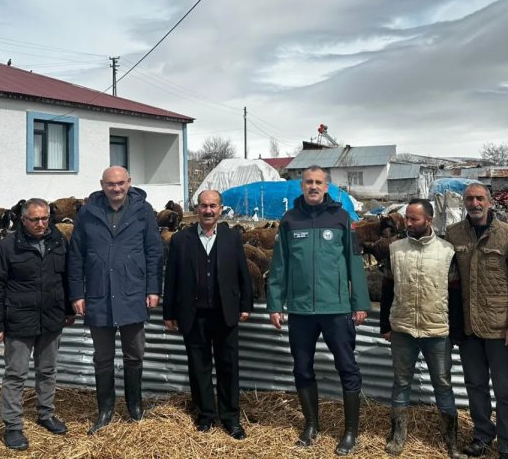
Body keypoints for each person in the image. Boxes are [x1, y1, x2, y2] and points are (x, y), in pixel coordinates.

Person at [267, 165, 371, 456]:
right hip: (300, 311)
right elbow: (279, 266)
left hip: (336, 309)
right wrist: (275, 304)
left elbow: (354, 262)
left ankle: (350, 432)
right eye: (308, 182)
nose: (313, 186)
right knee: (302, 368)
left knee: (347, 368)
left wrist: (360, 303)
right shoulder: (289, 220)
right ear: (301, 186)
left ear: (327, 187)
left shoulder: (342, 218)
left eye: (318, 182)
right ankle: (311, 425)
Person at [67, 166, 163, 434]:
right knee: (102, 357)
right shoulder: (88, 212)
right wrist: (77, 293)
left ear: (129, 182)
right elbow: (76, 255)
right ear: (102, 185)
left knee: (135, 354)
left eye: (121, 183)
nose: (116, 188)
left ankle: (134, 405)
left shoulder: (143, 211)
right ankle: (105, 409)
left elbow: (154, 251)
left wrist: (153, 289)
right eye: (111, 184)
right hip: (98, 294)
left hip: (132, 291)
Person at [0, 198, 75, 451]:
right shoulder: (7, 247)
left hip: (52, 318)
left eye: (45, 218)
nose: (40, 224)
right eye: (34, 219)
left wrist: (68, 309)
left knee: (48, 370)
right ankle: (13, 426)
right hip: (19, 321)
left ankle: (46, 414)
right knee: (16, 373)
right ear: (23, 220)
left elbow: (67, 278)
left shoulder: (59, 242)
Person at [163, 190, 253, 439]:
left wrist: (245, 304)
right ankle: (205, 416)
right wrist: (169, 312)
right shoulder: (181, 240)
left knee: (228, 366)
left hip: (225, 313)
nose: (208, 211)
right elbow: (171, 277)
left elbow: (242, 273)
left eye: (213, 206)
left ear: (220, 209)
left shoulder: (232, 237)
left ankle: (231, 419)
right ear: (197, 209)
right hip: (193, 315)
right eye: (204, 206)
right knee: (198, 367)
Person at [445, 183, 508, 459]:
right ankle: (482, 436)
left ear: (490, 202)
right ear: (464, 202)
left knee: (504, 391)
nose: (475, 203)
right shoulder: (454, 234)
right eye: (469, 199)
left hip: (499, 327)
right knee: (475, 386)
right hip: (468, 327)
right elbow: (451, 282)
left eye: (480, 198)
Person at [379, 199, 464, 458]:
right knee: (401, 383)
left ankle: (451, 441)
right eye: (407, 218)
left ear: (429, 220)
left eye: (414, 219)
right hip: (402, 329)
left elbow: (455, 294)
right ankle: (398, 435)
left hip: (437, 331)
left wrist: (455, 331)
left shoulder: (447, 251)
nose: (408, 223)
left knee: (443, 384)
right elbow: (387, 289)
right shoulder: (395, 250)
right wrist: (385, 325)